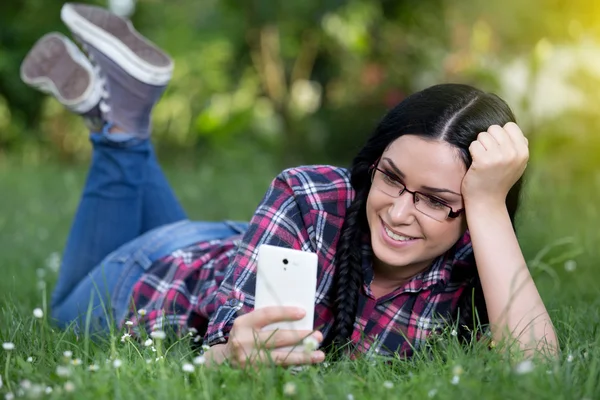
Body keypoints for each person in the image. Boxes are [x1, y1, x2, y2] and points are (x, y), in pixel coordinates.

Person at [21, 3, 557, 367]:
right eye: (391, 178)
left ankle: (118, 116)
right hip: (154, 280)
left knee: (133, 160)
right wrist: (230, 353)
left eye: (437, 202)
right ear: (375, 161)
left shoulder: (476, 253)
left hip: (227, 245)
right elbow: (229, 334)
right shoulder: (314, 195)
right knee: (66, 305)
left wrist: (487, 206)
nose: (396, 212)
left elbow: (535, 367)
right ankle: (119, 129)